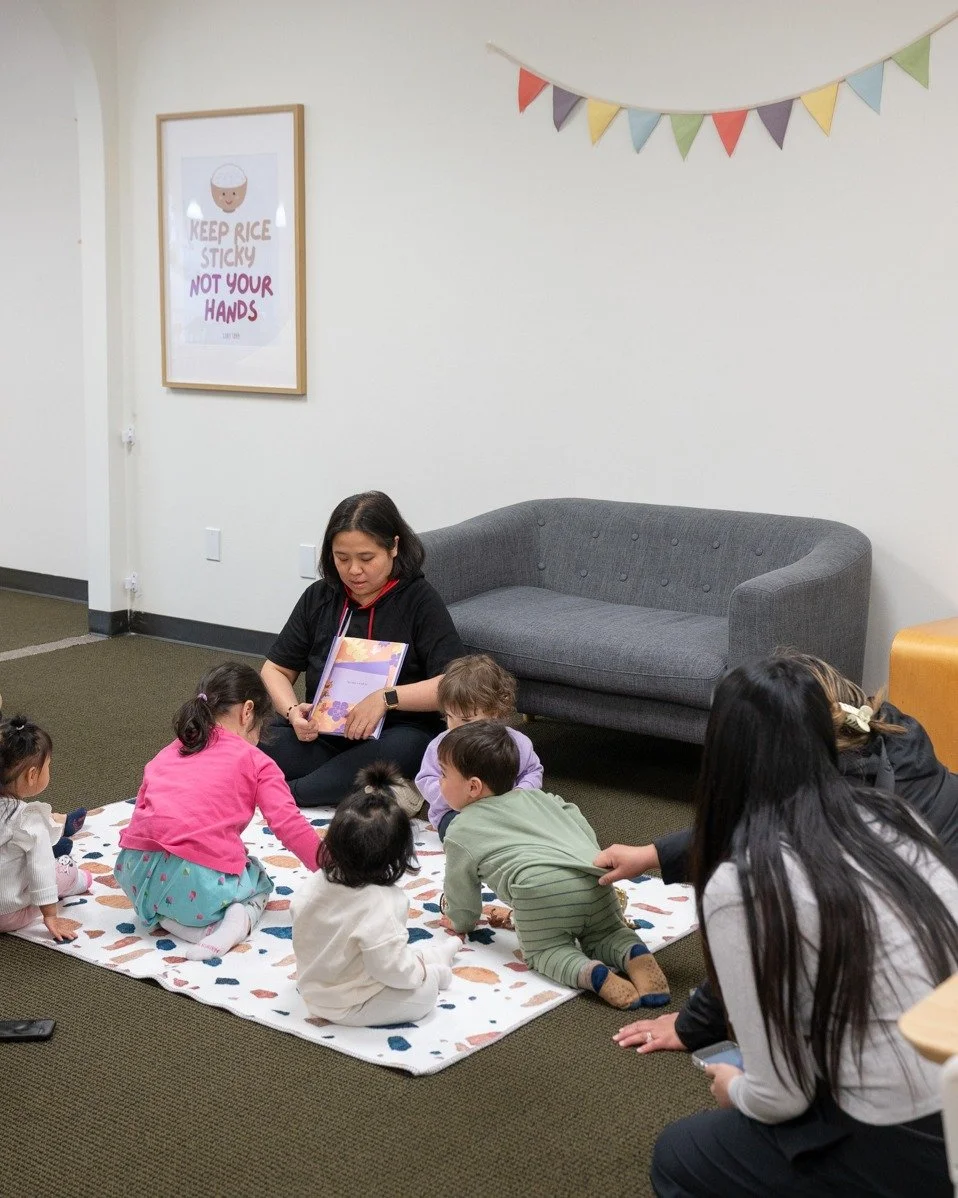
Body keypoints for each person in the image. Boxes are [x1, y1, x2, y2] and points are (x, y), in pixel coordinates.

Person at [650, 656, 958, 1198]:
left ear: (721, 755)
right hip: (948, 1072)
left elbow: (781, 1096)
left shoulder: (743, 883)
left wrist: (735, 1088)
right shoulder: (894, 814)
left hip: (908, 1138)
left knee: (677, 1155)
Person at [600, 650, 958, 1056]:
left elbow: (762, 936)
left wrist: (693, 1025)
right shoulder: (886, 730)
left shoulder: (833, 813)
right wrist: (652, 854)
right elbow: (749, 828)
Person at [438, 721, 670, 1010]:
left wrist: (460, 920)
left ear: (472, 787)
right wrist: (589, 858)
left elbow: (462, 893)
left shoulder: (460, 830)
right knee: (607, 934)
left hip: (541, 890)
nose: (438, 782)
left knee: (547, 951)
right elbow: (575, 817)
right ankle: (635, 955)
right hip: (595, 877)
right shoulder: (541, 797)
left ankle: (593, 975)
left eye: (443, 775)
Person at [260, 491, 466, 808]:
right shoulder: (320, 596)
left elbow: (453, 685)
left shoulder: (420, 601)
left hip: (395, 734)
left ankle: (288, 793)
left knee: (410, 749)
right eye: (342, 558)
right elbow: (275, 669)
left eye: (366, 559)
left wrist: (386, 699)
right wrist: (292, 712)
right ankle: (366, 789)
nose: (354, 570)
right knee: (250, 735)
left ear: (394, 547)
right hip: (323, 732)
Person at [115, 662, 326, 961]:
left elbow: (144, 813)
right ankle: (232, 924)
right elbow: (287, 823)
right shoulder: (256, 761)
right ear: (247, 711)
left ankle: (182, 925)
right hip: (198, 885)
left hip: (135, 876)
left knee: (181, 871)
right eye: (261, 728)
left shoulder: (171, 749)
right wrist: (329, 866)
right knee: (257, 878)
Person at [292, 762, 461, 1025]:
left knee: (397, 950)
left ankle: (435, 956)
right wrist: (422, 977)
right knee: (423, 994)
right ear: (397, 855)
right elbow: (390, 969)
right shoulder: (383, 903)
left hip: (313, 986)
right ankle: (435, 970)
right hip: (349, 1004)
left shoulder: (315, 882)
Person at [415, 654, 543, 841]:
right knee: (456, 829)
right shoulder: (440, 746)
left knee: (539, 819)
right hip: (457, 812)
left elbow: (532, 771)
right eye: (449, 717)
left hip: (506, 810)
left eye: (466, 720)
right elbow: (426, 779)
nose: (454, 727)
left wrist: (520, 793)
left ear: (495, 712)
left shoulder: (515, 743)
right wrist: (458, 794)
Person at [0, 715, 92, 943]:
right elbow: (40, 870)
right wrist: (50, 915)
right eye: (48, 765)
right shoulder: (27, 819)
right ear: (32, 775)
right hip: (9, 913)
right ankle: (78, 880)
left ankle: (59, 835)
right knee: (61, 869)